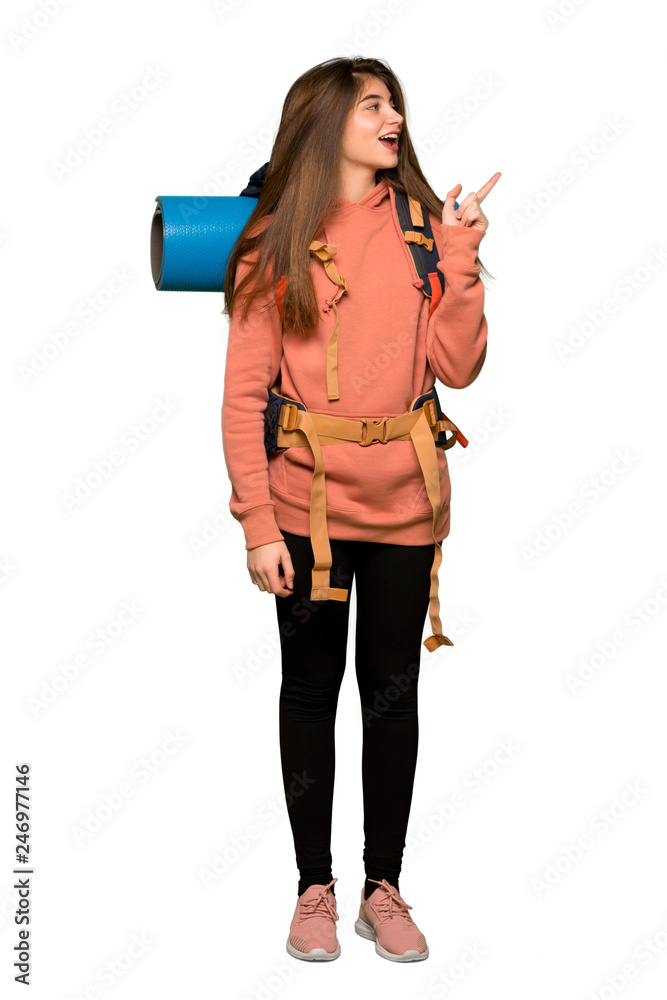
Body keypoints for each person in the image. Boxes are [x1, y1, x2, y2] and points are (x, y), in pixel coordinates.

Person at [221, 55, 499, 963]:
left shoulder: (426, 234)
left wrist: (460, 258)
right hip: (304, 508)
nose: (391, 118)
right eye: (371, 104)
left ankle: (385, 887)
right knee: (309, 691)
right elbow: (242, 394)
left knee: (391, 696)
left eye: (395, 105)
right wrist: (258, 521)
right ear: (326, 120)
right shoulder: (273, 240)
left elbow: (458, 368)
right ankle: (313, 888)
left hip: (405, 505)